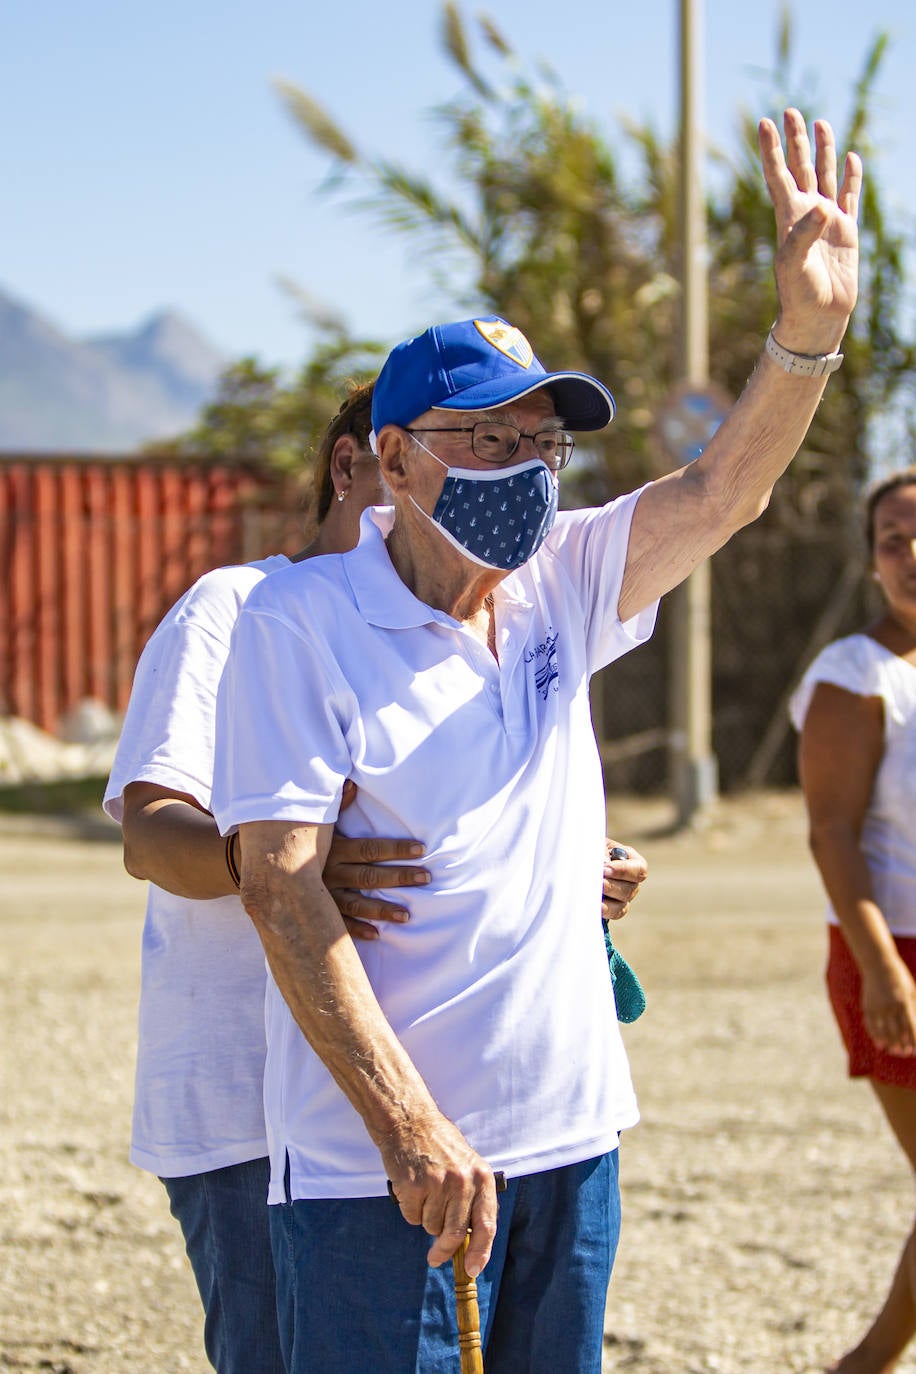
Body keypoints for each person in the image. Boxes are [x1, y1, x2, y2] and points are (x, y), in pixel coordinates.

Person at [209, 109, 861, 1373]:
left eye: (543, 440)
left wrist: (809, 336)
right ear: (392, 460)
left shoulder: (562, 574)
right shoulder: (300, 620)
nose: (527, 467)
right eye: (487, 438)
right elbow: (280, 888)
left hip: (570, 1140)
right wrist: (406, 1126)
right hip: (375, 1170)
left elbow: (725, 490)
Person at [103, 383, 648, 1374]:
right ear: (358, 466)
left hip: (411, 1111)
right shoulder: (236, 609)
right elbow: (149, 833)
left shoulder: (478, 620)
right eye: (445, 468)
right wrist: (281, 866)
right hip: (251, 1116)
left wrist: (567, 869)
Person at [790, 468, 916, 1374]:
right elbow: (831, 832)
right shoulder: (853, 674)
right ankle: (864, 1367)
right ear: (872, 561)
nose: (910, 556)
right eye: (892, 541)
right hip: (895, 954)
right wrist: (882, 969)